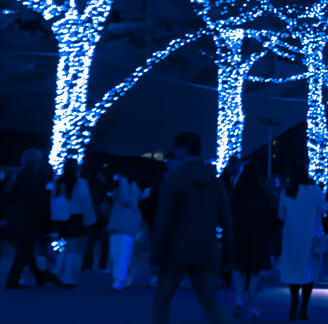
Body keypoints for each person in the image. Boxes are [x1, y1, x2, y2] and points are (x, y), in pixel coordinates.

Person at [150, 131, 233, 324]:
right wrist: (228, 253)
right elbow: (226, 219)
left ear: (183, 150)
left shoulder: (175, 181)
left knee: (162, 301)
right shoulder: (215, 182)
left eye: (175, 149)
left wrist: (156, 255)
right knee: (211, 303)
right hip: (206, 250)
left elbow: (163, 220)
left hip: (175, 251)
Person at [280, 166, 327, 321]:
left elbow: (281, 215)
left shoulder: (286, 193)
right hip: (311, 235)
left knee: (293, 271)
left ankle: (294, 300)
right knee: (309, 272)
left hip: (291, 237)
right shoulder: (314, 191)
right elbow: (323, 209)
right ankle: (304, 307)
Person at [4, 150, 55, 288]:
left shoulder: (18, 176)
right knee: (25, 250)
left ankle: (37, 276)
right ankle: (15, 280)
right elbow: (41, 203)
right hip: (30, 220)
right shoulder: (37, 179)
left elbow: (9, 197)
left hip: (16, 218)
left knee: (25, 250)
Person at [228, 163, 271, 318]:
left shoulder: (236, 193)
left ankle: (238, 300)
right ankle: (250, 307)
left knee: (239, 269)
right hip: (257, 236)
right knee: (254, 274)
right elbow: (269, 215)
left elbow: (230, 212)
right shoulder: (263, 194)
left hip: (239, 234)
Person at [50, 158, 96, 286]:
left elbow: (52, 199)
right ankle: (67, 278)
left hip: (61, 218)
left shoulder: (58, 181)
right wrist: (90, 219)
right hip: (75, 217)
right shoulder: (79, 183)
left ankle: (57, 271)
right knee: (72, 249)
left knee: (65, 247)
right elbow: (86, 202)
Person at [106, 171, 141, 290]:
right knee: (116, 253)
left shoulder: (132, 188)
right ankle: (122, 276)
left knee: (122, 253)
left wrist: (123, 182)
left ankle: (119, 279)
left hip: (126, 225)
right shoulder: (122, 188)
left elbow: (125, 199)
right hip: (119, 225)